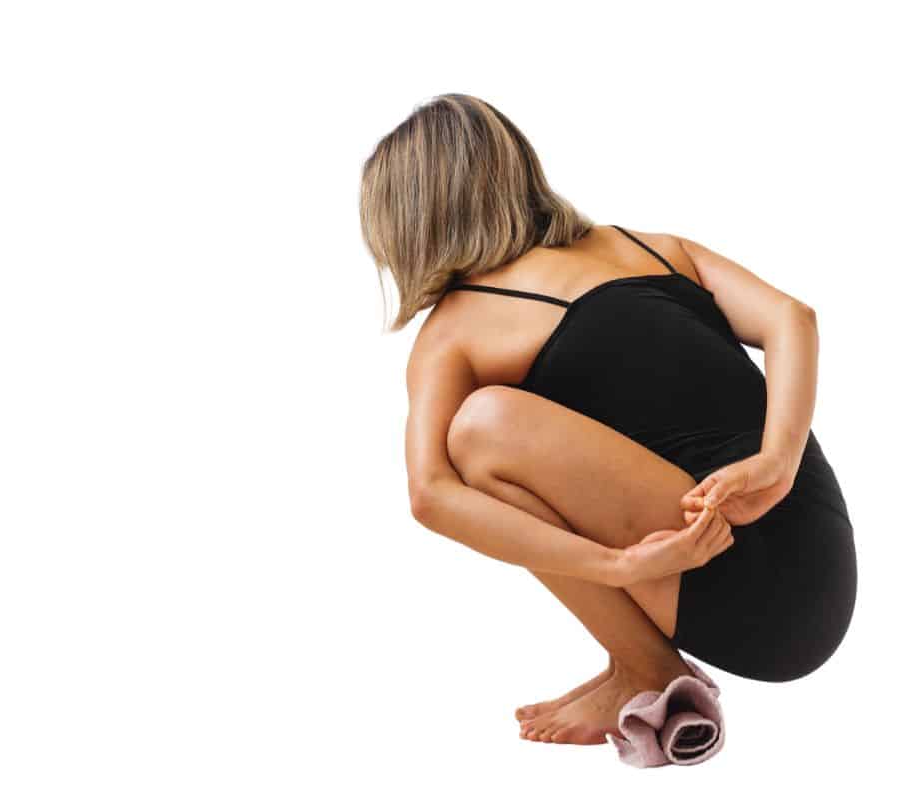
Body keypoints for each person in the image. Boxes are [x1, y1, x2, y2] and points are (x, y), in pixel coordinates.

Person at [359, 93, 857, 746]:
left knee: (478, 431)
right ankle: (634, 662)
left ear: (408, 224)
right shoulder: (644, 245)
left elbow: (430, 494)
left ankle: (643, 665)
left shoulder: (453, 331)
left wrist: (617, 566)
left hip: (724, 566)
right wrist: (777, 462)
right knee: (491, 427)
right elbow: (794, 318)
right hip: (822, 562)